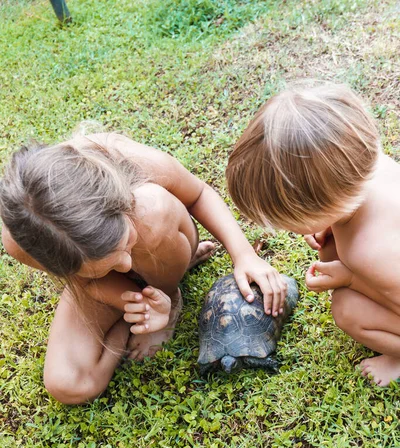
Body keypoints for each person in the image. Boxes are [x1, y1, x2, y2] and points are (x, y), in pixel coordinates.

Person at [0, 132, 287, 404]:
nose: (126, 264)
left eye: (123, 247)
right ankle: (139, 310)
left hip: (157, 240)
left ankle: (169, 291)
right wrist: (133, 303)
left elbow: (198, 194)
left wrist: (244, 255)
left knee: (153, 212)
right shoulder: (25, 238)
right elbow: (83, 282)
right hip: (100, 284)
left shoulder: (128, 161)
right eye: (108, 263)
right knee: (70, 384)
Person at [226, 82, 400, 387]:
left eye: (289, 223)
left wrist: (350, 278)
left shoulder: (368, 250)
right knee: (332, 249)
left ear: (320, 207)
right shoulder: (374, 169)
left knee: (347, 309)